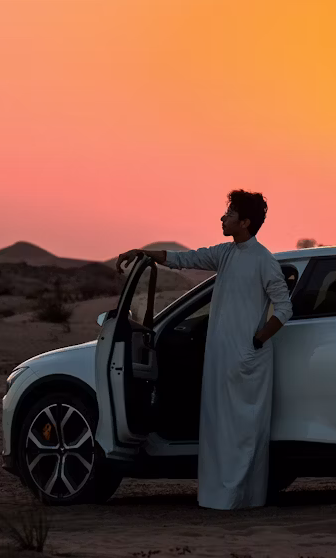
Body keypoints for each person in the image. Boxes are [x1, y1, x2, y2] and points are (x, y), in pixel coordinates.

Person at [114, 189, 293, 509]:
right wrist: (143, 253)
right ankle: (219, 499)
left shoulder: (264, 260)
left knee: (244, 432)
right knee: (218, 427)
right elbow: (184, 258)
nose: (223, 218)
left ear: (246, 221)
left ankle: (244, 499)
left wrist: (257, 340)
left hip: (248, 361)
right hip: (220, 358)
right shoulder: (224, 253)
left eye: (230, 214)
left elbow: (284, 308)